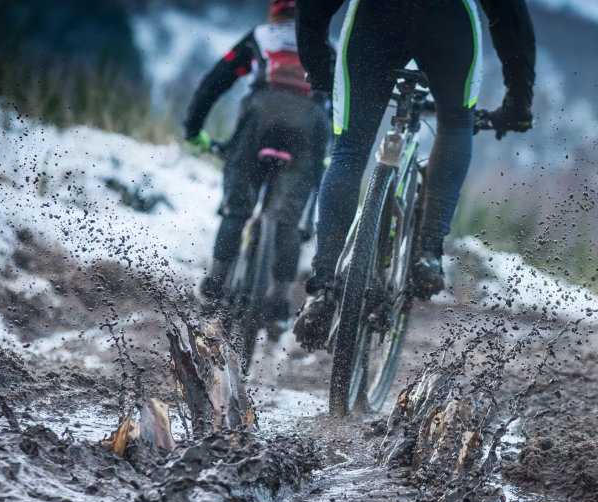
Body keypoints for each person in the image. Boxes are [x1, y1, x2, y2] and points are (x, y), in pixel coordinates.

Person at [293, 0, 536, 349]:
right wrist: (518, 103)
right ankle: (428, 252)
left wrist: (317, 66)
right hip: (448, 21)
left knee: (349, 151)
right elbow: (510, 15)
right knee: (455, 124)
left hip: (375, 21)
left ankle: (323, 285)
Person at [184, 0, 330, 328]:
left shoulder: (262, 36)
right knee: (288, 221)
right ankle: (279, 302)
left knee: (238, 208)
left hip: (260, 117)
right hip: (310, 126)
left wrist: (193, 129)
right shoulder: (325, 45)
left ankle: (215, 283)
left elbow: (216, 81)